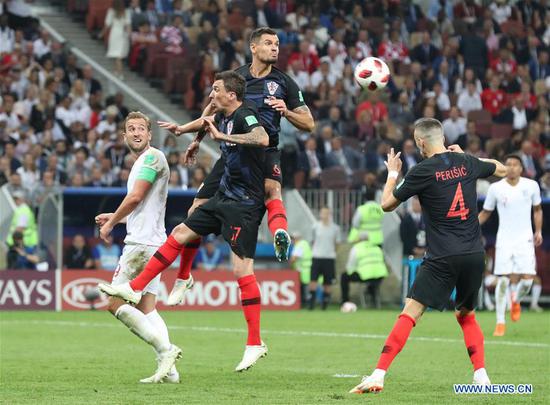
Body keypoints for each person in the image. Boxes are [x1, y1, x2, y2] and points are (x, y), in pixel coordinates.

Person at [100, 71, 272, 373]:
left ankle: (254, 342)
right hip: (224, 194)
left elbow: (262, 138)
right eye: (131, 129)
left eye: (216, 90)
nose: (212, 94)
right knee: (183, 228)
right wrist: (186, 133)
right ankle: (170, 352)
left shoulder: (244, 115)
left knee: (240, 268)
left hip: (244, 203)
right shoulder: (224, 116)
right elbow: (206, 119)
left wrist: (220, 137)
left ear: (231, 94)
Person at [350, 118, 506, 394]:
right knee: (466, 314)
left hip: (443, 256)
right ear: (443, 138)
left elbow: (386, 205)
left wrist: (392, 174)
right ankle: (481, 377)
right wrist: (467, 156)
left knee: (411, 312)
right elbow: (503, 170)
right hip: (473, 253)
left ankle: (378, 374)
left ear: (421, 142)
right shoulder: (467, 163)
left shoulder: (422, 171)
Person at [160, 27, 315, 297]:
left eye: (277, 43)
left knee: (272, 190)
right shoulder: (237, 78)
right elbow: (211, 110)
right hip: (233, 152)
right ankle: (183, 276)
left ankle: (281, 233)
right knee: (196, 209)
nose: (275, 48)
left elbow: (309, 123)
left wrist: (286, 111)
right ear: (253, 47)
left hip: (266, 151)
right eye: (268, 43)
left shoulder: (285, 83)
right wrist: (195, 138)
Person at [95, 111, 182, 384]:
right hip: (153, 243)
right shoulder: (141, 163)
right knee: (147, 307)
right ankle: (170, 372)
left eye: (140, 129)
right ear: (124, 136)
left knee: (113, 303)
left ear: (149, 134)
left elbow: (135, 198)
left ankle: (166, 351)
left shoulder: (153, 157)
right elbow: (138, 204)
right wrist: (115, 215)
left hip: (142, 245)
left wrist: (111, 225)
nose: (135, 133)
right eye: (130, 129)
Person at [478, 155, 543, 337]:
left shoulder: (531, 186)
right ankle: (500, 322)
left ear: (521, 168)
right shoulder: (496, 188)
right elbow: (485, 212)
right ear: (504, 168)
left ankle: (516, 300)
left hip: (525, 239)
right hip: (504, 239)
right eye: (509, 165)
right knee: (504, 280)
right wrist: (471, 227)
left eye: (515, 165)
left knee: (528, 280)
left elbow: (538, 210)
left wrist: (538, 231)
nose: (512, 168)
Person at [308, 207, 342, 310]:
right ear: (320, 214)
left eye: (327, 213)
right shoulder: (315, 227)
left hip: (329, 258)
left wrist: (332, 252)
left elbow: (337, 244)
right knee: (313, 281)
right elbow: (312, 241)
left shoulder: (335, 228)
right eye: (323, 213)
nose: (325, 215)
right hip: (317, 257)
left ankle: (324, 306)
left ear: (330, 214)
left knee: (327, 283)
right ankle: (311, 305)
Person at [341, 239, 388, 309]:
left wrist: (351, 271)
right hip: (380, 275)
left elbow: (351, 265)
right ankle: (373, 298)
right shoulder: (377, 248)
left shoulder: (357, 248)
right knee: (372, 283)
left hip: (365, 275)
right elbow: (384, 260)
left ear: (359, 239)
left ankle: (345, 302)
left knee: (344, 276)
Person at [289, 231, 313, 307]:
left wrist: (289, 264)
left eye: (292, 239)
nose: (292, 241)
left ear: (296, 238)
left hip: (303, 269)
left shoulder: (299, 245)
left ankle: (305, 304)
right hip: (308, 268)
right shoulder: (305, 243)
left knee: (304, 287)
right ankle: (309, 303)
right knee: (308, 286)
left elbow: (294, 258)